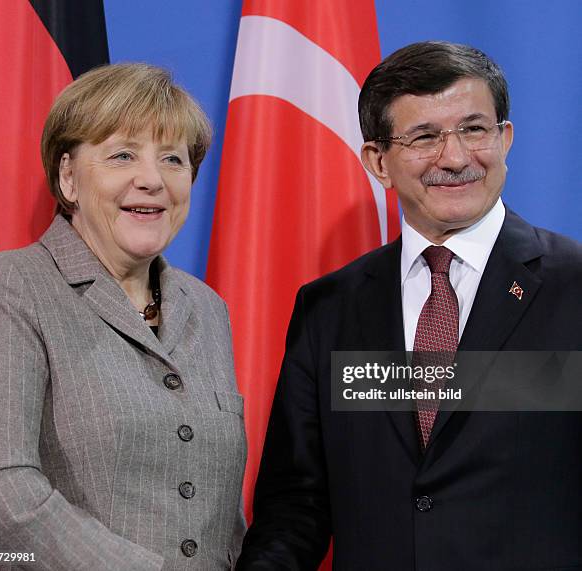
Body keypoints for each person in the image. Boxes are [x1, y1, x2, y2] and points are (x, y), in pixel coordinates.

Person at [236, 41, 582, 570]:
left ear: (505, 138)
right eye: (425, 137)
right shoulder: (328, 308)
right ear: (378, 160)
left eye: (474, 129)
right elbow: (296, 507)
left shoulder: (573, 286)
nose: (456, 157)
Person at [0, 63, 246, 570]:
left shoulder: (207, 308)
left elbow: (220, 509)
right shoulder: (9, 284)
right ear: (68, 177)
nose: (152, 180)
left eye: (172, 159)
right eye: (122, 155)